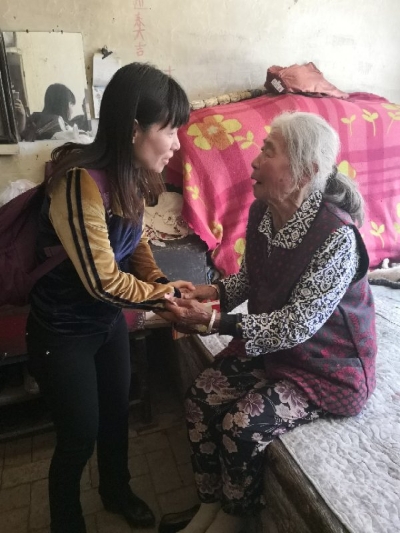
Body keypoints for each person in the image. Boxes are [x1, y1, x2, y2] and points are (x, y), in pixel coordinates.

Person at [162, 112, 377, 533]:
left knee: (241, 425)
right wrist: (212, 292)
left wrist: (213, 321)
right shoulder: (263, 210)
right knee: (200, 399)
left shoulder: (338, 237)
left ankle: (233, 518)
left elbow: (296, 325)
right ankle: (208, 503)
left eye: (269, 151)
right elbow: (251, 276)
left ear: (304, 172)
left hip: (327, 364)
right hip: (275, 346)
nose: (255, 160)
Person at [26, 62, 194, 533]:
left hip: (105, 324)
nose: (177, 143)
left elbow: (135, 241)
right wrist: (163, 299)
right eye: (170, 131)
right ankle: (67, 522)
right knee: (79, 435)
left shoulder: (131, 174)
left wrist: (159, 281)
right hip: (62, 332)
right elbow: (102, 280)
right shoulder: (78, 181)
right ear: (135, 128)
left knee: (116, 415)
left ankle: (116, 491)